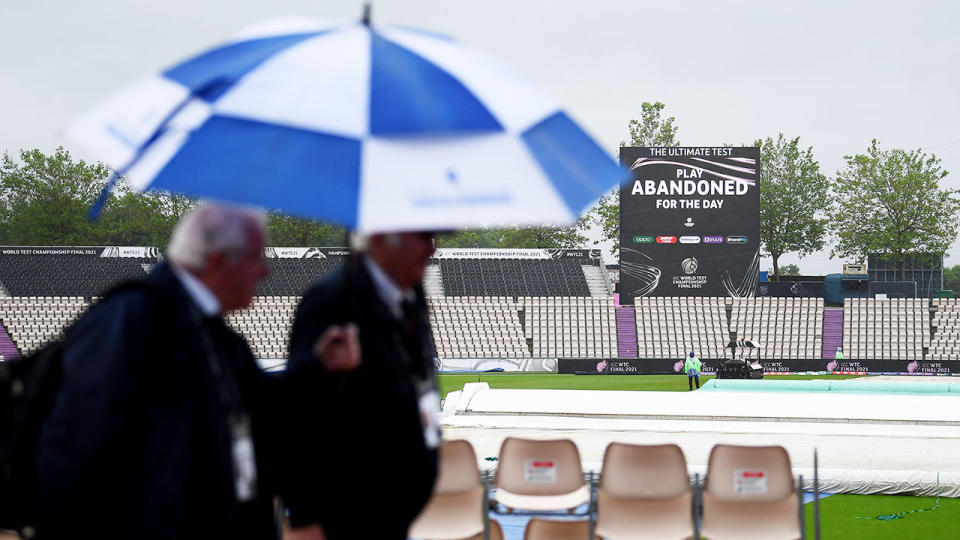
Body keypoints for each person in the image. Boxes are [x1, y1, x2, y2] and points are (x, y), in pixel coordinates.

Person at [34, 203, 357, 540]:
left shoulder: (213, 333)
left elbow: (261, 405)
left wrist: (319, 366)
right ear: (219, 260)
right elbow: (72, 453)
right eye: (255, 257)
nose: (265, 271)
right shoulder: (134, 317)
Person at [285, 231, 440, 540]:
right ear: (383, 238)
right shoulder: (332, 301)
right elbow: (299, 415)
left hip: (394, 512)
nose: (432, 249)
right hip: (345, 518)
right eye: (422, 237)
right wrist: (307, 520)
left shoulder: (410, 297)